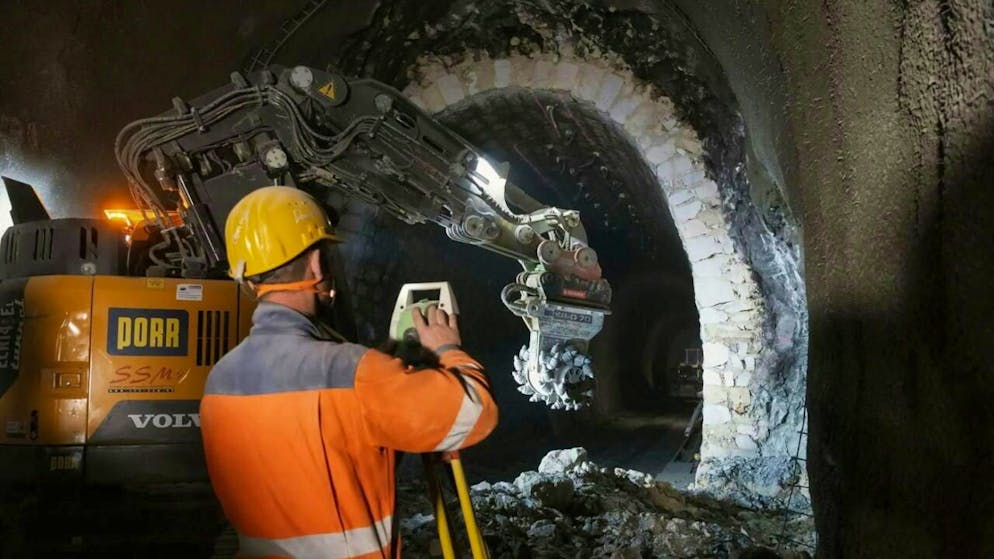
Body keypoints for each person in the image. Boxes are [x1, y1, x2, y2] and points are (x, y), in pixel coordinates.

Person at [199, 186, 498, 559]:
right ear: (316, 265)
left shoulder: (219, 381)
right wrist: (447, 349)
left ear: (247, 278)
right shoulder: (353, 372)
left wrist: (386, 363)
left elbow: (332, 447)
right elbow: (475, 414)